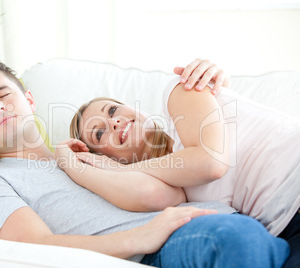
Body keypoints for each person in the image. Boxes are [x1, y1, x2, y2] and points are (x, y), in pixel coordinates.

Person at [0, 59, 289, 267]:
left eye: (3, 95)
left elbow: (166, 194)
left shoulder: (92, 152)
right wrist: (141, 237)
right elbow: (33, 248)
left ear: (29, 100)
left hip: (246, 221)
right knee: (236, 239)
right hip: (169, 242)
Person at [67, 59, 300, 267]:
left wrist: (123, 169)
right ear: (106, 157)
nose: (114, 121)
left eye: (112, 110)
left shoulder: (178, 93)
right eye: (99, 133)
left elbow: (212, 162)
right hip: (285, 229)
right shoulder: (172, 190)